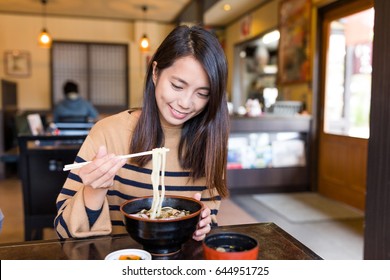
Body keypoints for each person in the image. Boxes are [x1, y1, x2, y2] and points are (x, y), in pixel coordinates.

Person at [54, 25, 229, 241]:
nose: (185, 103)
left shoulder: (210, 142)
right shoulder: (108, 134)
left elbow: (209, 218)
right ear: (155, 72)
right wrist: (93, 190)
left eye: (202, 93)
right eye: (177, 86)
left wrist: (202, 225)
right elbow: (63, 229)